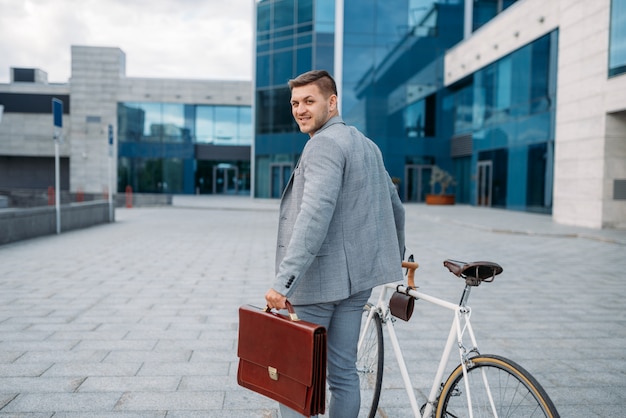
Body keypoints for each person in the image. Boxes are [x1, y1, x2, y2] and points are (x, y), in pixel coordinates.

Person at [265, 70, 405, 418]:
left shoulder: (323, 145)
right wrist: (392, 257)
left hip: (317, 284)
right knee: (343, 374)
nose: (300, 109)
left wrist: (283, 283)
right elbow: (395, 206)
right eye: (295, 103)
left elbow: (314, 215)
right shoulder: (367, 145)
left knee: (294, 376)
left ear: (332, 102)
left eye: (309, 101)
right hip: (356, 284)